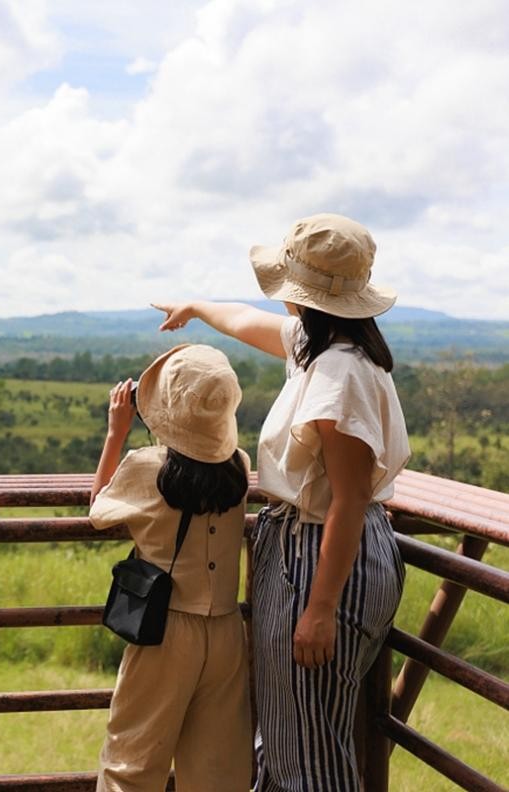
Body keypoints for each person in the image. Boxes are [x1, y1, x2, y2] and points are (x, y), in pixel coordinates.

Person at [152, 213, 410, 791]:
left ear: (304, 296)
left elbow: (348, 500)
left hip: (319, 558)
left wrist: (319, 609)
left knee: (308, 755)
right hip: (313, 550)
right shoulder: (321, 346)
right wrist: (197, 306)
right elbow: (243, 320)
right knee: (289, 735)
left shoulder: (338, 375)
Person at [89, 344, 253, 791]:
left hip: (163, 632)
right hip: (225, 631)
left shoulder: (146, 468)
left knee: (133, 762)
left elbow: (98, 509)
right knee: (219, 771)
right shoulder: (238, 466)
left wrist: (115, 433)